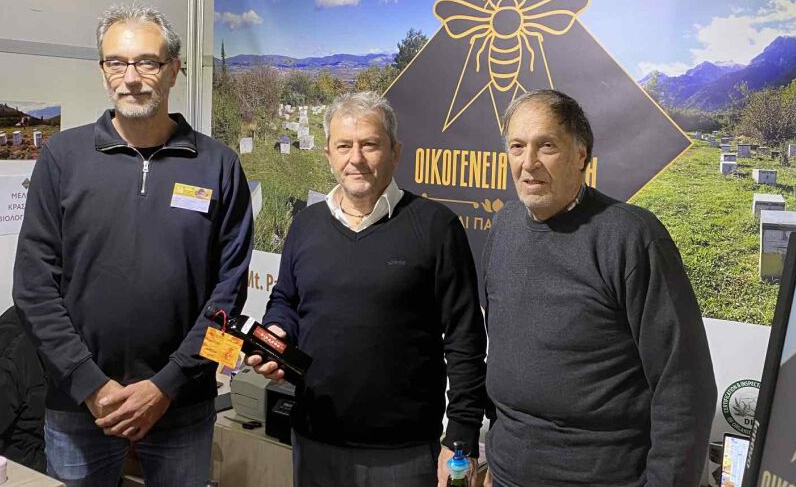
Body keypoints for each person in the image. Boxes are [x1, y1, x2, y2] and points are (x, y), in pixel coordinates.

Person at [12, 3, 253, 487]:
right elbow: (33, 288)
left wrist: (168, 385)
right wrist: (90, 385)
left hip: (183, 405)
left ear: (174, 70)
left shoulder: (218, 165)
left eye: (147, 62)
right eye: (116, 62)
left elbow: (229, 297)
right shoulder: (62, 157)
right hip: (80, 406)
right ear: (103, 70)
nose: (131, 78)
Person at [246, 91, 487, 487]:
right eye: (344, 146)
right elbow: (286, 300)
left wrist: (460, 436)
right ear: (328, 154)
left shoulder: (436, 227)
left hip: (405, 454)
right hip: (315, 441)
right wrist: (277, 331)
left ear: (395, 152)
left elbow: (465, 340)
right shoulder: (305, 224)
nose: (355, 158)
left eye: (370, 145)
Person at [483, 89, 716, 487]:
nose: (528, 163)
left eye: (547, 146)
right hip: (507, 472)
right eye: (517, 146)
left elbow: (684, 387)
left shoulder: (632, 238)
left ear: (581, 155)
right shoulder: (503, 228)